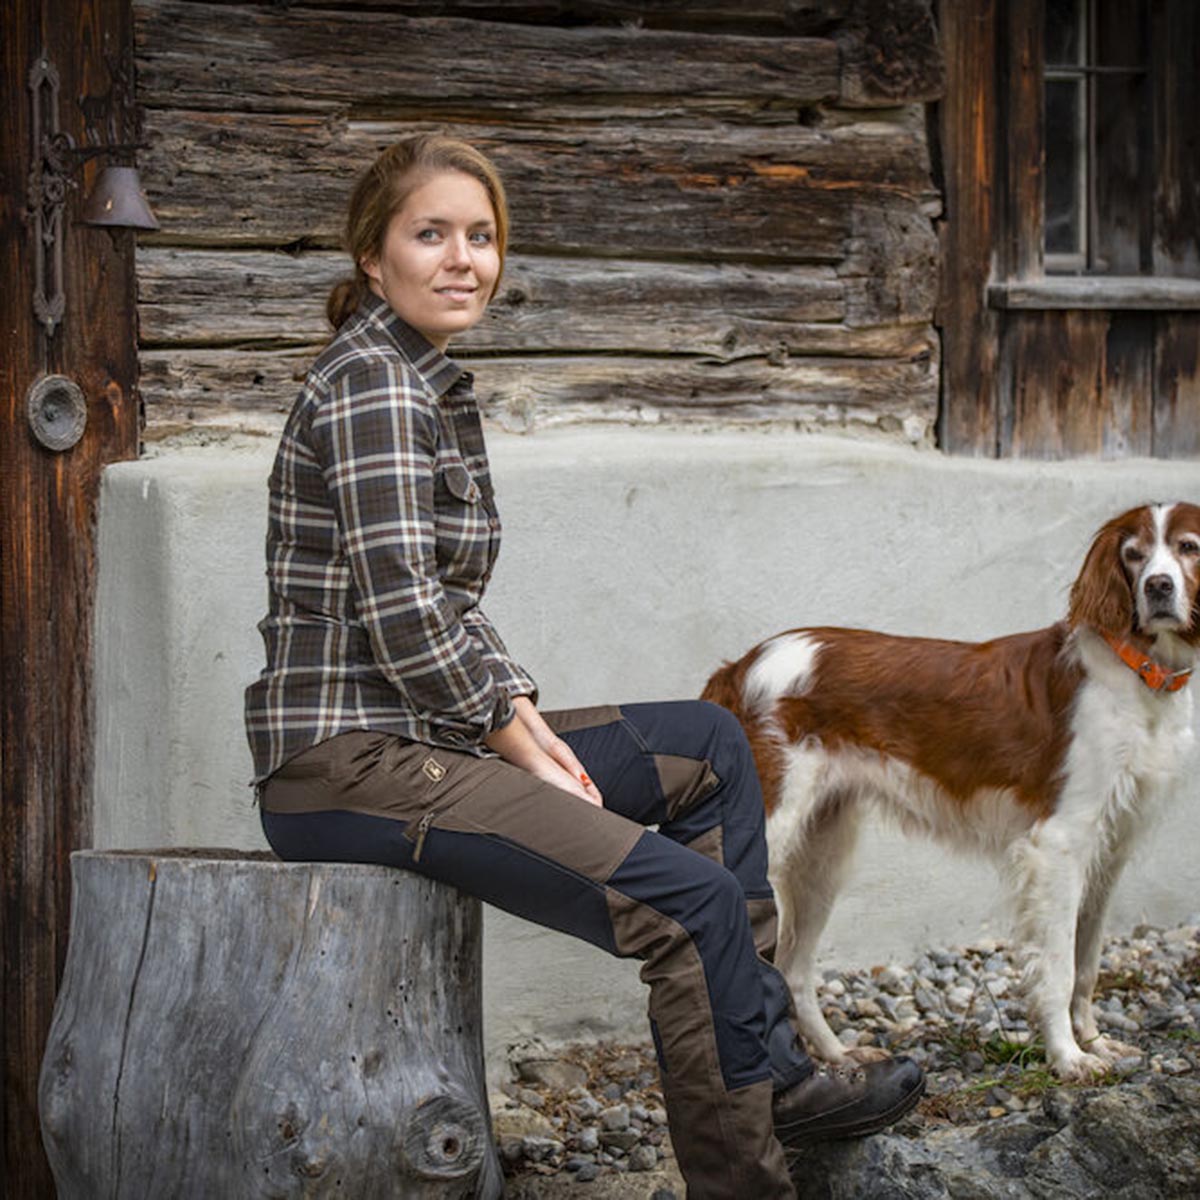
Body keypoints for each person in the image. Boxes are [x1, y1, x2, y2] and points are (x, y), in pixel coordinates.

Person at [244, 133, 924, 1199]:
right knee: (692, 904)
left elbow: (444, 608)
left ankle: (767, 1076)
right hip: (352, 767)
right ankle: (748, 1167)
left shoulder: (418, 379)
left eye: (482, 236)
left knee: (707, 745)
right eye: (431, 234)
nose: (463, 258)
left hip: (415, 738)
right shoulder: (374, 385)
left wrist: (514, 704)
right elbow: (406, 615)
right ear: (373, 258)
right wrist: (517, 734)